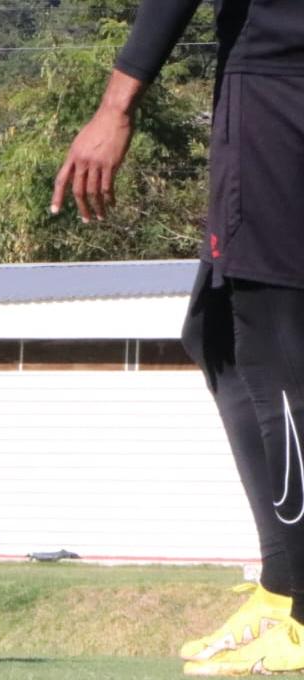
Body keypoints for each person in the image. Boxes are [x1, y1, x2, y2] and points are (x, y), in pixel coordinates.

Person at [50, 1, 304, 674]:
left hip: (279, 83)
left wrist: (116, 105)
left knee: (274, 353)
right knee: (215, 329)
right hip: (272, 77)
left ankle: (301, 614)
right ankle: (283, 589)